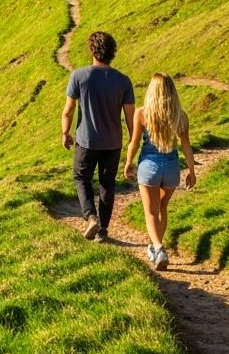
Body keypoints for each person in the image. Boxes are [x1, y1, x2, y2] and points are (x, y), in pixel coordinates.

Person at [61, 30, 135, 242]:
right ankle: (102, 231)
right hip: (113, 142)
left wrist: (65, 132)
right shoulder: (123, 81)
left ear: (92, 51)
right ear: (113, 52)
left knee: (81, 177)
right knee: (107, 184)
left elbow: (68, 109)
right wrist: (133, 140)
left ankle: (90, 217)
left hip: (86, 140)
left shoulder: (79, 76)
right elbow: (130, 116)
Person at [124, 73, 196, 270]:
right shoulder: (180, 115)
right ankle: (156, 249)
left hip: (149, 166)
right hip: (172, 168)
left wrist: (128, 162)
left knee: (150, 212)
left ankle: (158, 247)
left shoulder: (142, 113)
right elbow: (186, 145)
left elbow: (134, 142)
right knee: (162, 207)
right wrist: (191, 170)